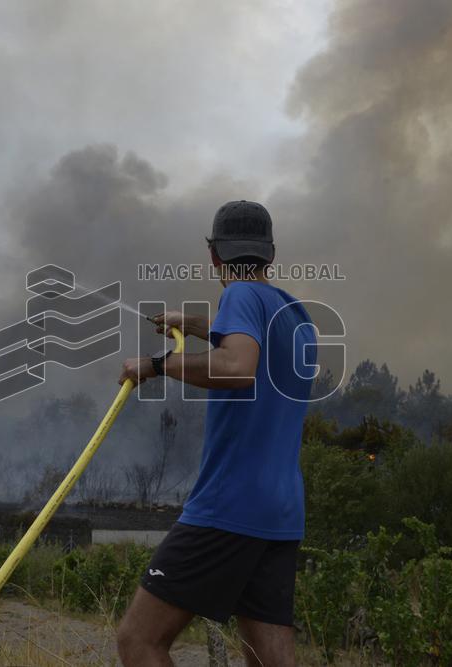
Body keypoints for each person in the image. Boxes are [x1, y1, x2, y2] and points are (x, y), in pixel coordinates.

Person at [115, 200, 317, 666]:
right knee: (270, 659)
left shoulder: (240, 295)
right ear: (271, 254)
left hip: (228, 506)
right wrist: (197, 325)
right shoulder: (294, 313)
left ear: (214, 256)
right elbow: (251, 348)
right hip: (280, 512)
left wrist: (154, 366)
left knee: (138, 640)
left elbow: (239, 366)